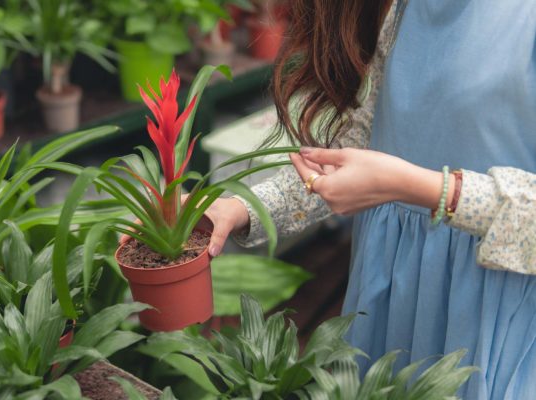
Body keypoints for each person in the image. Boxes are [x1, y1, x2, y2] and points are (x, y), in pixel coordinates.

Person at [203, 1, 536, 398]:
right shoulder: (404, 10)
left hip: (490, 304)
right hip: (389, 287)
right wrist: (239, 208)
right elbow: (361, 141)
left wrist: (427, 189)